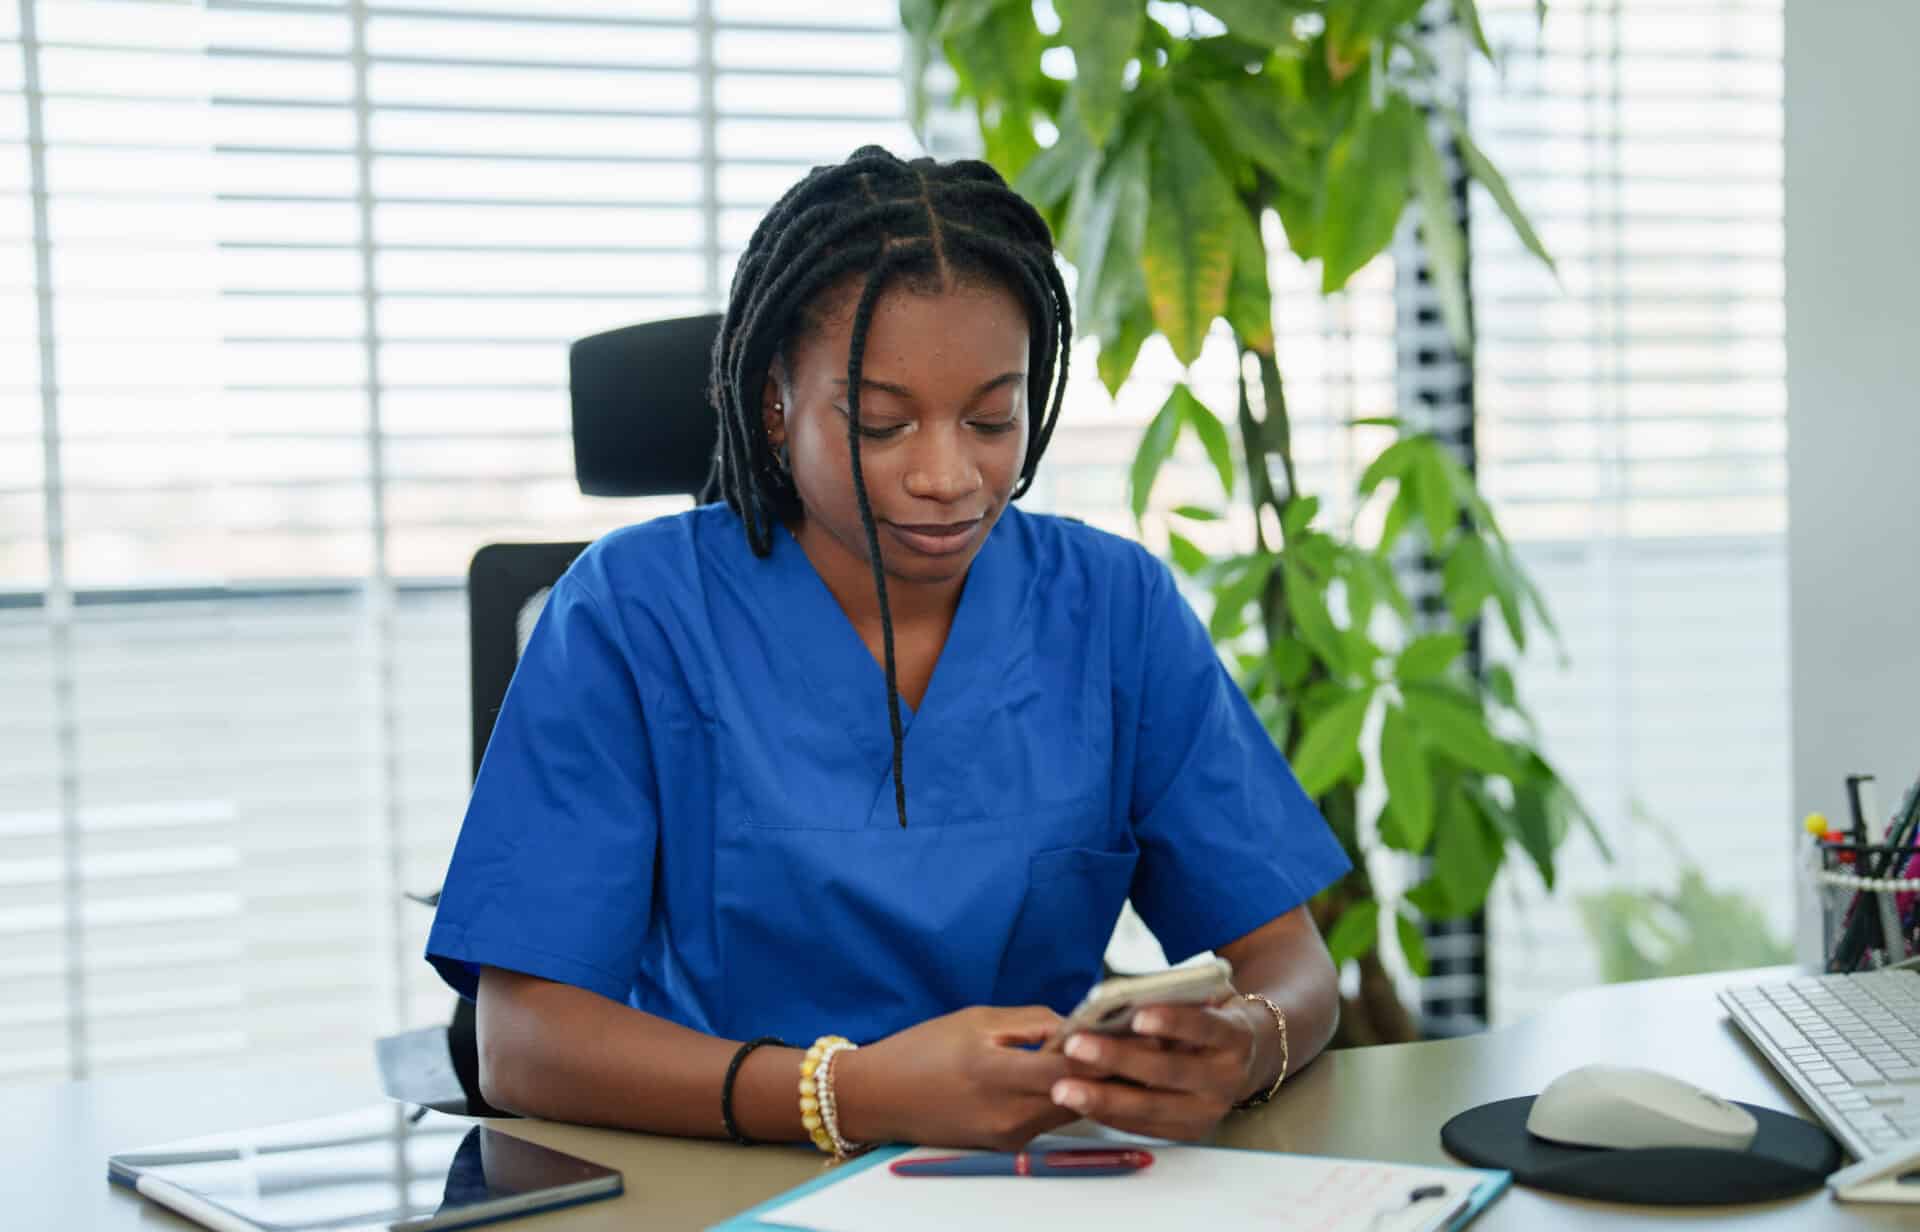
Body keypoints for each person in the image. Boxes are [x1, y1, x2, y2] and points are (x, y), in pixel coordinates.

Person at [425, 145, 1349, 1155]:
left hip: (1041, 1196)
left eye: (993, 417)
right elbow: (522, 1044)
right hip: (712, 1196)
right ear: (775, 403)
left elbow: (1291, 963)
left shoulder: (1113, 606)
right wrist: (846, 1094)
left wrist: (1246, 1046)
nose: (949, 475)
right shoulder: (630, 613)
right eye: (880, 421)